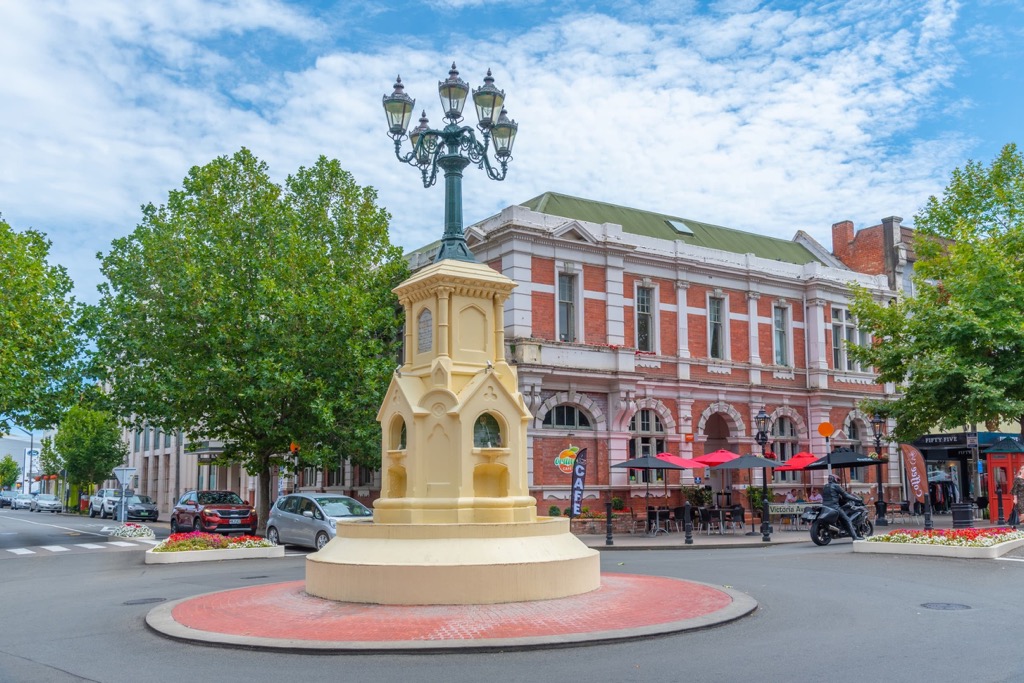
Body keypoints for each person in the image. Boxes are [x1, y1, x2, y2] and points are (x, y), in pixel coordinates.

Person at [821, 474, 864, 540]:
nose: (838, 481)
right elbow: (846, 495)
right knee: (847, 520)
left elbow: (828, 496)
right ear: (834, 479)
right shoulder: (836, 486)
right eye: (838, 480)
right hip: (834, 507)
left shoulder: (825, 486)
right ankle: (855, 537)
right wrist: (857, 499)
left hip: (825, 506)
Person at [1010, 465, 1024, 529]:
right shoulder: (1017, 479)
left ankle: (1015, 523)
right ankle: (1014, 523)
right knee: (1023, 513)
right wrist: (1015, 499)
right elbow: (1015, 490)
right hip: (1020, 498)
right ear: (1021, 470)